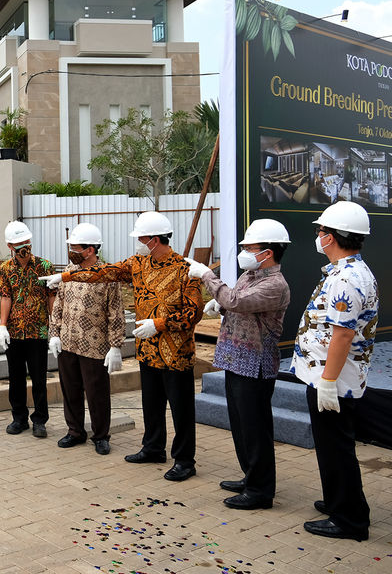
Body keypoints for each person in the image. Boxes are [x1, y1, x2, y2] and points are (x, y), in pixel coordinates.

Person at [42, 211, 203, 481]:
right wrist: (67, 278)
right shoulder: (138, 263)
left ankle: (185, 460)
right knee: (151, 404)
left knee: (181, 408)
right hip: (148, 349)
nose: (138, 242)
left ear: (154, 238)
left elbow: (193, 314)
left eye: (141, 238)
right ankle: (153, 448)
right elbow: (105, 272)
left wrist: (160, 324)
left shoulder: (186, 269)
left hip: (176, 351)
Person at [185, 219, 291, 510]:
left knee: (255, 428)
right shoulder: (251, 274)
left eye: (249, 247)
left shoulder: (274, 284)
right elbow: (234, 300)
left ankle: (260, 490)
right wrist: (217, 304)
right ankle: (250, 476)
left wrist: (208, 276)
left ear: (267, 253)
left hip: (255, 365)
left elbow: (236, 300)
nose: (244, 251)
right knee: (241, 425)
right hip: (235, 360)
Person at [289, 201, 377, 541]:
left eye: (321, 231)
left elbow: (342, 333)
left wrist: (326, 382)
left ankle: (350, 520)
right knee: (332, 446)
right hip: (334, 376)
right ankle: (339, 502)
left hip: (334, 380)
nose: (318, 236)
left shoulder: (346, 278)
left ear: (332, 237)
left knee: (336, 447)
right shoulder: (351, 271)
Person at [48, 223, 125, 455]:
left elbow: (115, 311)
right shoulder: (69, 272)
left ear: (90, 250)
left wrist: (116, 346)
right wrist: (54, 334)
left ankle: (101, 435)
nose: (71, 251)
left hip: (95, 345)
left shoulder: (108, 275)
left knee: (97, 393)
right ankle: (75, 431)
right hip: (68, 341)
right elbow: (58, 304)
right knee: (70, 389)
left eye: (75, 247)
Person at [0, 221, 54, 437]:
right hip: (14, 332)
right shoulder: (5, 269)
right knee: (16, 378)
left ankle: (40, 420)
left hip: (38, 331)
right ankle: (19, 418)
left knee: (39, 378)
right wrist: (2, 326)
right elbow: (5, 297)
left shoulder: (44, 267)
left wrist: (54, 327)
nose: (24, 247)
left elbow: (51, 298)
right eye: (19, 244)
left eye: (26, 242)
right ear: (10, 246)